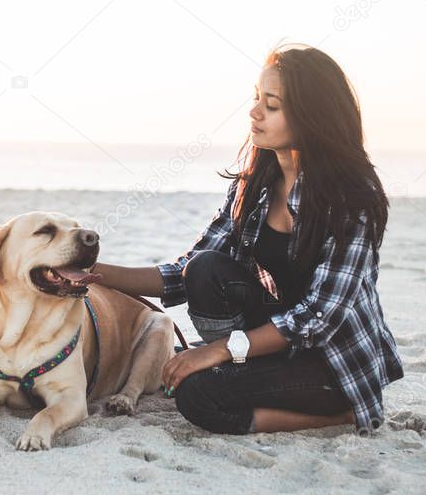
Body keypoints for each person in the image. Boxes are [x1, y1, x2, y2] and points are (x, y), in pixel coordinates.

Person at [90, 43, 404, 436]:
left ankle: (340, 415)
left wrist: (218, 350)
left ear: (313, 117)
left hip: (329, 362)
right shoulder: (255, 184)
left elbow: (318, 317)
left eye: (271, 105)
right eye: (257, 98)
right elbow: (184, 272)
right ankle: (242, 375)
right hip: (269, 347)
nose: (254, 112)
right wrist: (93, 273)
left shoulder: (350, 199)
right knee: (206, 271)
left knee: (197, 398)